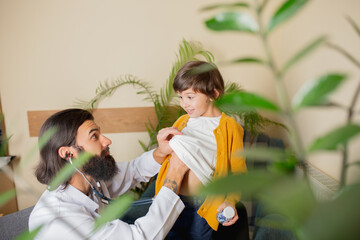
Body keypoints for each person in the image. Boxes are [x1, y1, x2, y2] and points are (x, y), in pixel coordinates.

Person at [29, 108, 189, 240]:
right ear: (68, 154)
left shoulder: (89, 180)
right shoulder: (61, 219)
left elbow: (134, 170)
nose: (107, 141)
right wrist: (174, 176)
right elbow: (139, 238)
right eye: (94, 136)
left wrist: (161, 152)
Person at [154, 61, 247, 239]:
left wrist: (231, 200)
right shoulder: (181, 122)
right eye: (180, 97)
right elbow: (167, 159)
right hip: (172, 200)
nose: (183, 103)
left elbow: (238, 172)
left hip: (204, 205)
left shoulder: (229, 127)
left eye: (190, 97)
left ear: (213, 94)